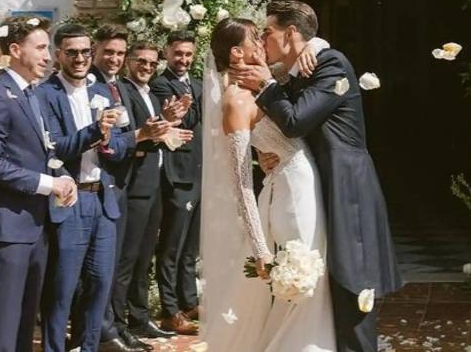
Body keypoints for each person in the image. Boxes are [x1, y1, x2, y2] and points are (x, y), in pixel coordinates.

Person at [231, 0, 402, 352]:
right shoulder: (294, 72)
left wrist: (267, 84)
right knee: (326, 285)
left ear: (291, 33)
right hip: (311, 188)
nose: (262, 41)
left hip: (344, 184)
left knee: (352, 282)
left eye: (268, 33)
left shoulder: (330, 62)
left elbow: (296, 122)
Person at [202, 17, 335, 351]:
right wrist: (260, 249)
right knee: (305, 274)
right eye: (254, 40)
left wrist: (316, 45)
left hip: (306, 182)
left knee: (316, 274)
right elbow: (242, 183)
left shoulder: (266, 80)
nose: (262, 44)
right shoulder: (235, 101)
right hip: (290, 193)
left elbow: (308, 50)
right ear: (236, 53)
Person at [38, 24, 136, 352]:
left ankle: (87, 347)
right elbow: (56, 148)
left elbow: (123, 144)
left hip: (103, 199)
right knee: (62, 288)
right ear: (58, 55)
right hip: (70, 199)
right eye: (72, 52)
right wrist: (96, 130)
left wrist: (108, 142)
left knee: (99, 285)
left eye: (84, 52)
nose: (80, 58)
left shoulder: (106, 91)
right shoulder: (45, 94)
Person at [0, 16, 77, 352]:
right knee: (3, 329)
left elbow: (42, 148)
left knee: (26, 326)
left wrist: (62, 176)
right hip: (6, 230)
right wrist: (45, 184)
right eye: (40, 48)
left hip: (36, 228)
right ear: (14, 49)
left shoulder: (33, 95)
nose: (48, 56)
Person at [116, 42, 193, 342]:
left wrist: (170, 122)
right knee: (127, 260)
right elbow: (134, 136)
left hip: (154, 183)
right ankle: (118, 324)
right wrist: (164, 127)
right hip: (134, 186)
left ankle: (139, 318)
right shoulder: (124, 91)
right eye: (141, 62)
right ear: (129, 63)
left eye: (151, 63)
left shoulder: (147, 93)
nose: (147, 67)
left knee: (143, 258)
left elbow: (154, 134)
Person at [150, 30, 202, 335]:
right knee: (171, 245)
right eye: (178, 54)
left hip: (198, 171)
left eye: (188, 54)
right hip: (177, 174)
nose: (183, 59)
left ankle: (189, 300)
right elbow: (185, 120)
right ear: (167, 53)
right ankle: (170, 310)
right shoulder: (160, 85)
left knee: (189, 246)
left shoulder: (196, 84)